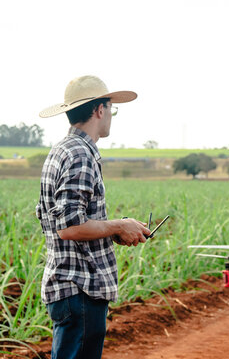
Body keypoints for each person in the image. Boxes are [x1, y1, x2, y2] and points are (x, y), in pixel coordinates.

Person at [36, 75, 151, 359]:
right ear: (99, 110)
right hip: (80, 288)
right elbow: (70, 227)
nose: (111, 114)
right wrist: (120, 224)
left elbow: (66, 220)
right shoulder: (80, 154)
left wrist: (114, 232)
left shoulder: (62, 150)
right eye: (110, 108)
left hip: (71, 288)